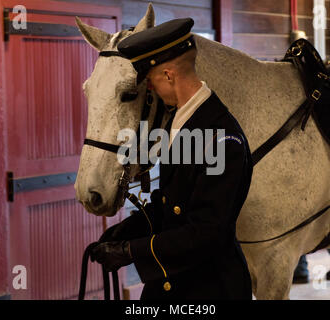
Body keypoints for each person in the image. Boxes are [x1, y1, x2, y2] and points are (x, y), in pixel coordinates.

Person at [90, 18, 254, 300]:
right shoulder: (179, 121)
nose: (150, 90)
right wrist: (125, 232)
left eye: (150, 82)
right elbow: (170, 204)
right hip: (172, 282)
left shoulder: (223, 140)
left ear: (168, 75)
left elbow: (205, 232)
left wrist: (131, 252)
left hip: (210, 289)